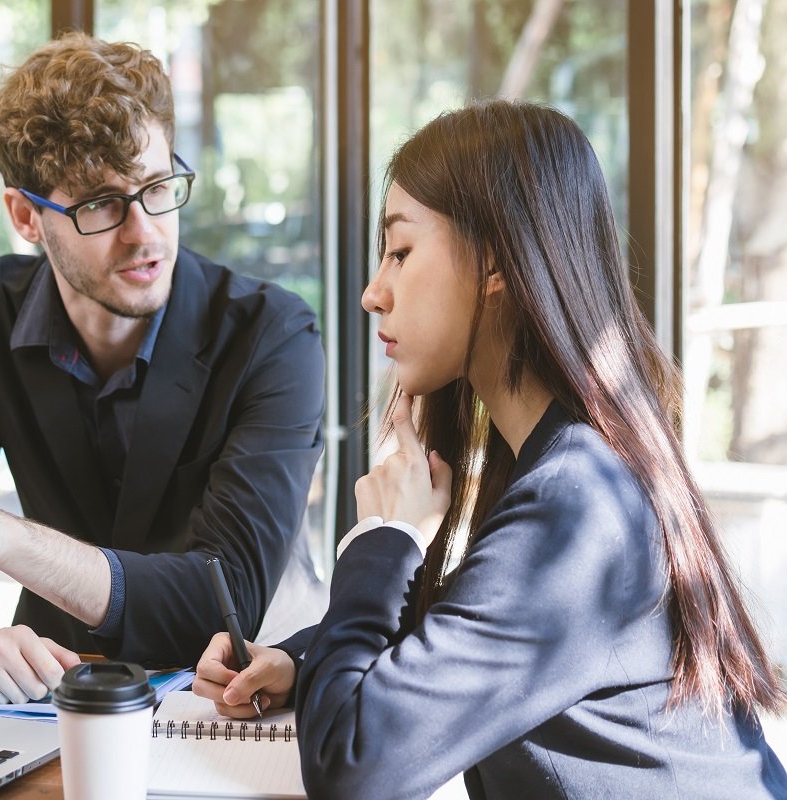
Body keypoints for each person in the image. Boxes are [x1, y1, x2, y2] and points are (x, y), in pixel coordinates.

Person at [193, 100, 787, 799]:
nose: (371, 293)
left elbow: (354, 768)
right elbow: (459, 631)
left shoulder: (576, 504)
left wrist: (382, 537)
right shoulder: (561, 464)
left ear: (496, 262)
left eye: (401, 252)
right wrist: (304, 660)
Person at [0, 32, 325, 706]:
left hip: (236, 701)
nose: (145, 232)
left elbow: (223, 605)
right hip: (54, 693)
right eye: (102, 204)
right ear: (25, 216)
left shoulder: (272, 335)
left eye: (158, 186)